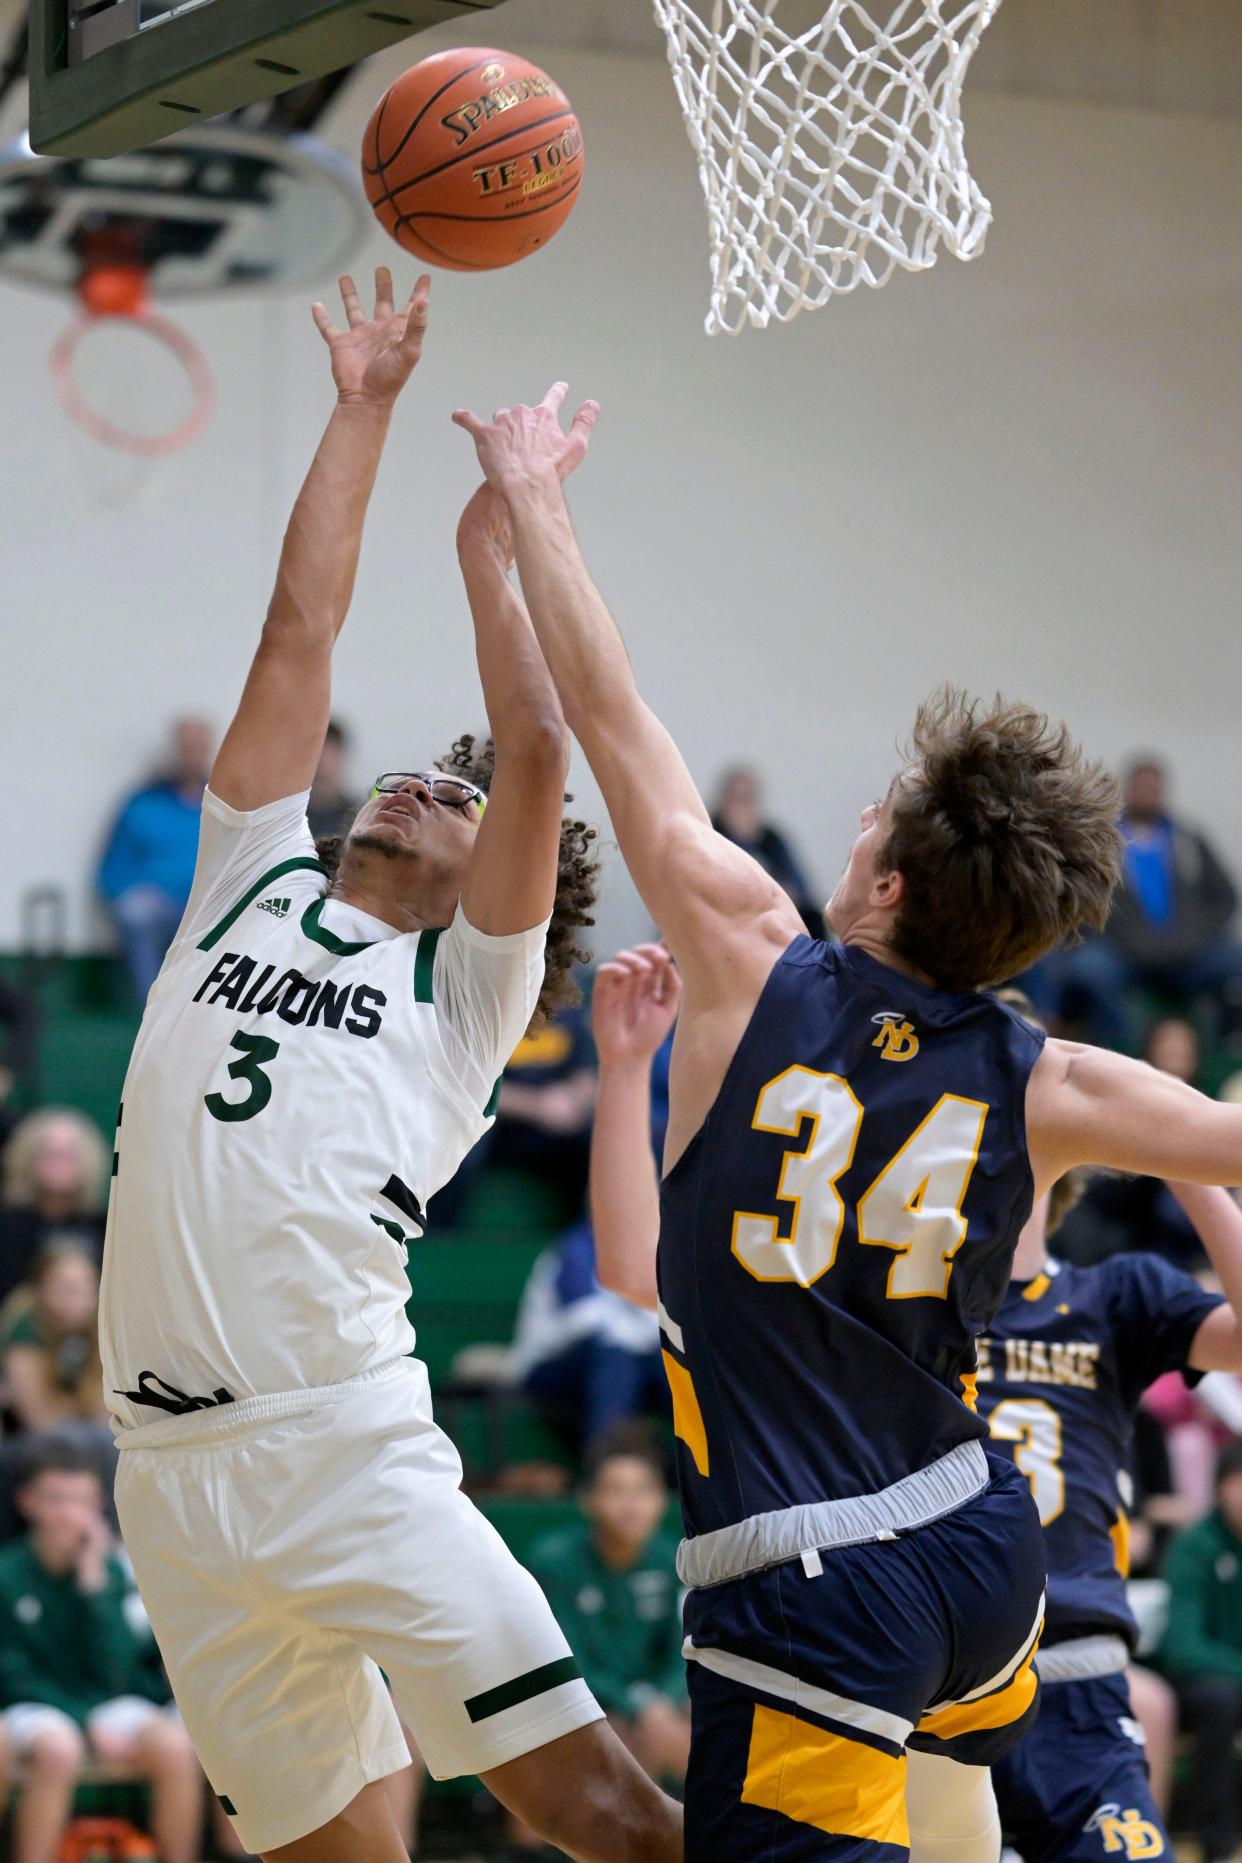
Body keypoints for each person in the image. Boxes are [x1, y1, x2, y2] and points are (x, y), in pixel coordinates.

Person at [453, 385, 1242, 1863]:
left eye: (876, 814)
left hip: (810, 1576)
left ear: (880, 887)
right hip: (983, 1548)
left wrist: (531, 495)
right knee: (949, 1830)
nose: (860, 820)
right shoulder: (1048, 1077)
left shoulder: (747, 953)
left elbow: (613, 720)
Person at [97, 274, 680, 1863]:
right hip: (166, 1470)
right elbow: (300, 630)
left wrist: (493, 541)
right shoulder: (246, 879)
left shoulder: (461, 995)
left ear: (495, 869)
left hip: (343, 1443)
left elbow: (540, 748)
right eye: (414, 774)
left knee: (605, 1813)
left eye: (451, 796)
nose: (423, 777)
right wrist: (358, 407)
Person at [0, 1439, 205, 1863]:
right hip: (32, 1707)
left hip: (106, 1703)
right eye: (56, 1498)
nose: (69, 1512)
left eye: (81, 1500)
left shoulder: (113, 1570)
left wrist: (93, 1587)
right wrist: (83, 1720)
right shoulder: (7, 1573)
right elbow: (13, 1675)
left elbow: (119, 1672)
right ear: (27, 1502)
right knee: (59, 1749)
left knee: (175, 1746)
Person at [1030, 757, 1242, 1050]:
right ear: (1128, 789)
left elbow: (1225, 897)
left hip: (1188, 955)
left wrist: (1197, 937)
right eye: (1141, 787)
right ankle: (1117, 1048)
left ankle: (1226, 1047)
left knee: (1234, 960)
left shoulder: (1187, 841)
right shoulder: (1102, 840)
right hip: (1122, 954)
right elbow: (1078, 898)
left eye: (1154, 788)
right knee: (1088, 970)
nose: (1148, 794)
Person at [528, 1439, 689, 1781]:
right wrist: (640, 1705)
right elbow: (567, 1663)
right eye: (616, 1490)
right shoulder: (554, 1562)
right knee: (618, 1740)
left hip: (656, 1702)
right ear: (589, 1499)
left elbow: (685, 1652)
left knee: (710, 1732)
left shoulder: (674, 1560)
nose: (631, 1505)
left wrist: (662, 1702)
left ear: (663, 1500)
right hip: (580, 1701)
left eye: (644, 1490)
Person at [1158, 1439, 1242, 1863]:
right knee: (1219, 1703)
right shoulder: (1195, 1545)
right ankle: (1216, 1841)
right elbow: (1183, 1647)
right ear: (1221, 1486)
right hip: (1202, 1681)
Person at [97, 716, 214, 1005]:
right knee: (136, 910)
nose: (192, 756)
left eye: (199, 747)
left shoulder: (229, 805)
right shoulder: (142, 804)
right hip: (159, 907)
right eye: (186, 747)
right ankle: (151, 1008)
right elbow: (111, 872)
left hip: (212, 905)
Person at [0, 1109, 108, 1310]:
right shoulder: (7, 1228)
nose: (57, 1162)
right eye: (48, 1153)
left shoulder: (104, 1228)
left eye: (67, 1155)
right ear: (27, 1159)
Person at [1, 1241, 108, 1433]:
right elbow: (39, 1417)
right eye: (68, 1288)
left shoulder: (102, 1323)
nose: (79, 1299)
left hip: (90, 1432)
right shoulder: (26, 1326)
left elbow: (107, 1410)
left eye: (87, 1287)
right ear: (42, 1289)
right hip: (27, 1436)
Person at [710, 766, 819, 932]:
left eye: (747, 799)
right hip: (726, 920)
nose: (741, 808)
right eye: (736, 798)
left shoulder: (772, 839)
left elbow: (799, 889)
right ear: (723, 802)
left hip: (770, 917)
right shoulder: (710, 835)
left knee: (813, 918)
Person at [307, 718, 362, 846]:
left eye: (326, 749)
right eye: (313, 749)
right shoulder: (292, 817)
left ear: (340, 754)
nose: (319, 758)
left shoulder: (358, 817)